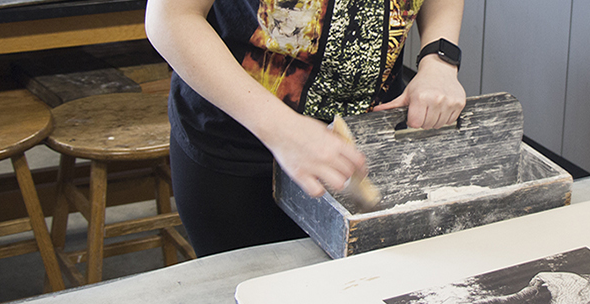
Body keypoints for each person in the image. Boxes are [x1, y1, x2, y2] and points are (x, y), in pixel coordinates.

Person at [146, 0, 467, 256]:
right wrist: (282, 129)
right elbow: (171, 18)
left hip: (367, 146)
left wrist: (439, 58)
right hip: (240, 151)